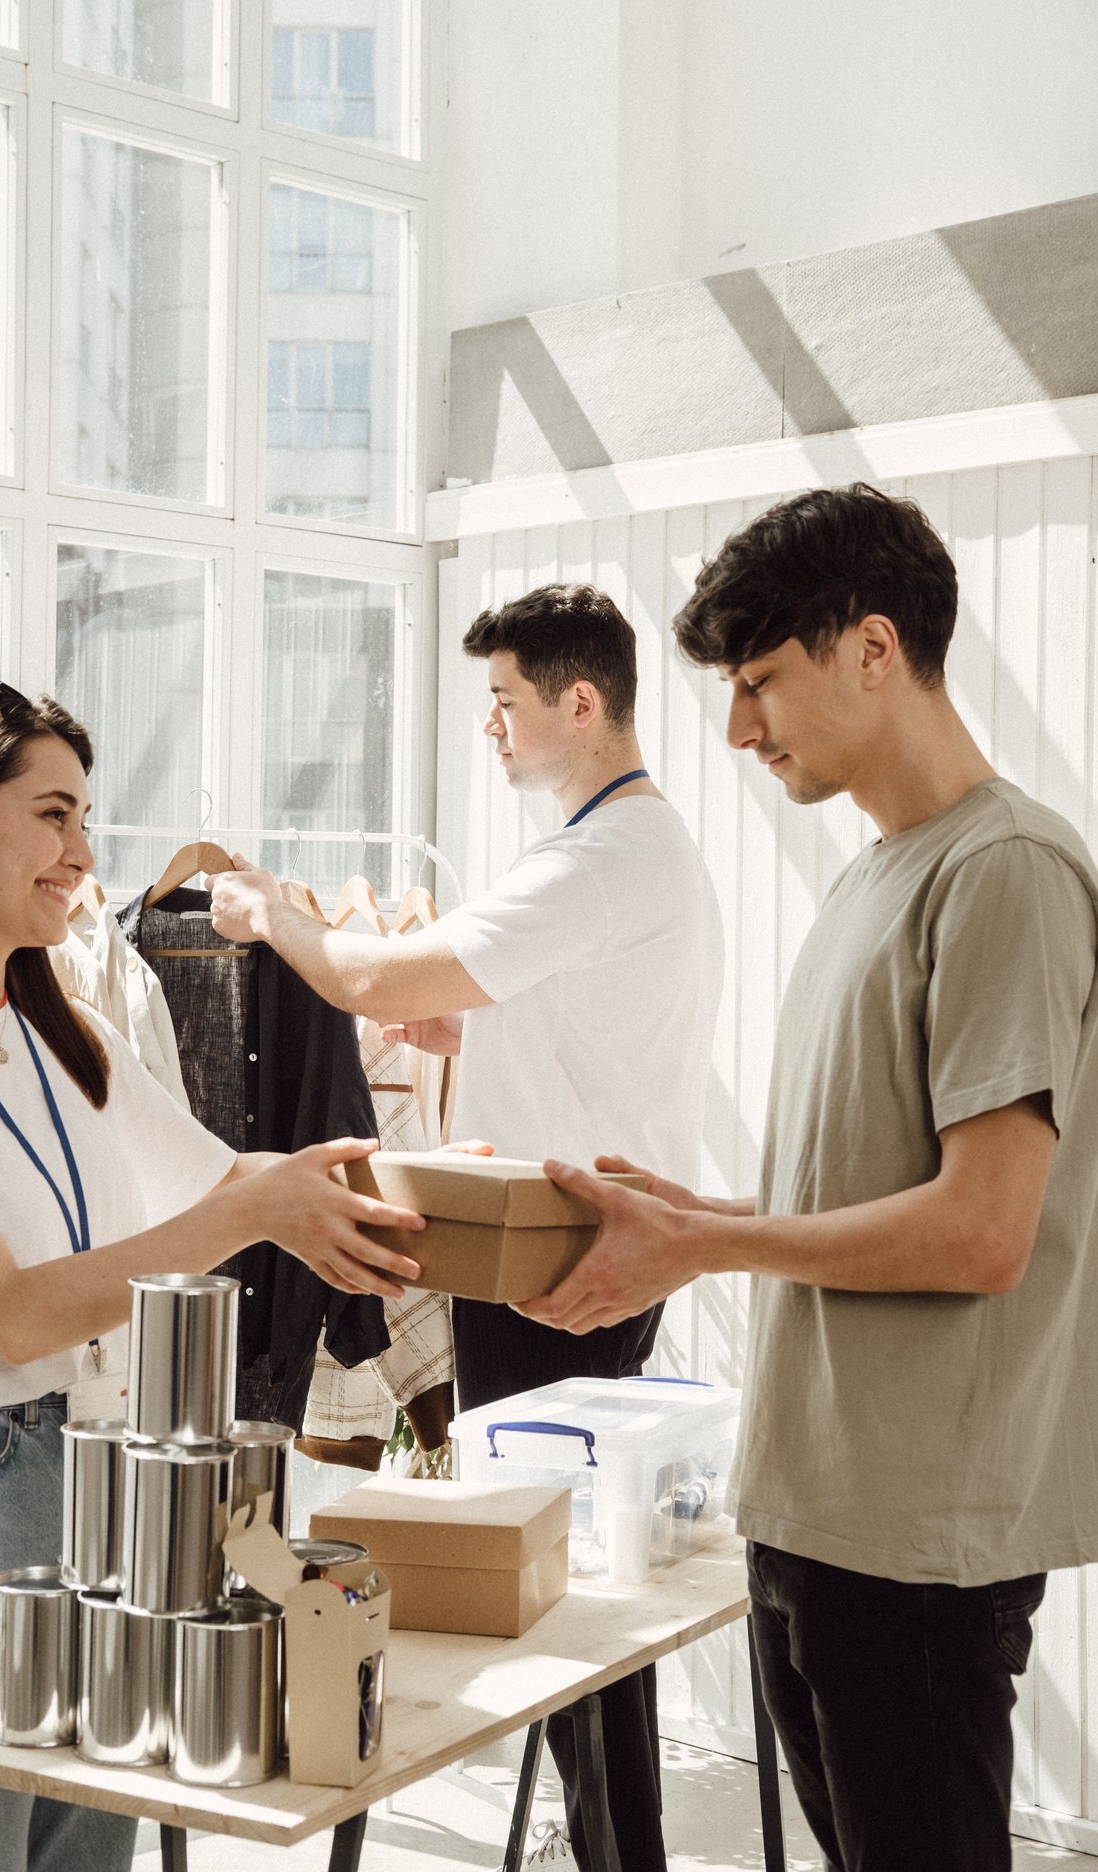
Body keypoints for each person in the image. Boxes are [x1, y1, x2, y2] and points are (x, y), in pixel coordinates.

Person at [517, 485, 1098, 1872]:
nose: (737, 728)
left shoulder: (1005, 872)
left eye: (760, 681)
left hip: (914, 1546)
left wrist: (707, 1252)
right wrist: (686, 1217)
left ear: (874, 651)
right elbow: (853, 1199)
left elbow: (981, 1233)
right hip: (815, 1515)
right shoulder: (876, 878)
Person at [0, 674, 424, 1872]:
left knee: (86, 1857)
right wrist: (260, 1211)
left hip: (104, 1486)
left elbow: (218, 1186)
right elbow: (9, 1316)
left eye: (85, 820)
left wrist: (413, 1189)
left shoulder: (67, 1027)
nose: (83, 853)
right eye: (52, 816)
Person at [209, 582, 724, 1872]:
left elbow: (377, 976)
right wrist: (468, 1022)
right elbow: (553, 1016)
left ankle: (620, 1850)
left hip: (549, 1256)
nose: (488, 727)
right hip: (584, 1240)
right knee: (560, 1572)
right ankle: (619, 1845)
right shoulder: (634, 853)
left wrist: (268, 908)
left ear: (580, 702)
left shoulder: (599, 860)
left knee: (539, 1578)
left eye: (504, 700)